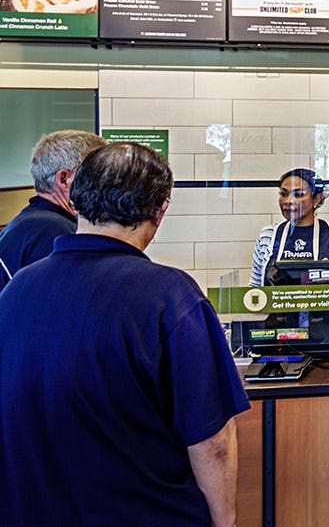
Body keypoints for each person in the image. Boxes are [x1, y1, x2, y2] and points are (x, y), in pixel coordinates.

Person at [0, 142, 249, 526]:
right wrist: (225, 521)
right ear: (159, 210)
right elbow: (212, 440)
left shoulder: (16, 291)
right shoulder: (170, 298)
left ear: (76, 198)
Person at [0, 129, 106, 292]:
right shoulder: (53, 234)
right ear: (64, 179)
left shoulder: (33, 224)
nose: (108, 183)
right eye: (99, 174)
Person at [250, 167, 329, 286]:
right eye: (283, 194)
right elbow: (255, 288)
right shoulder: (268, 235)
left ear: (317, 199)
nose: (288, 201)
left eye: (298, 194)